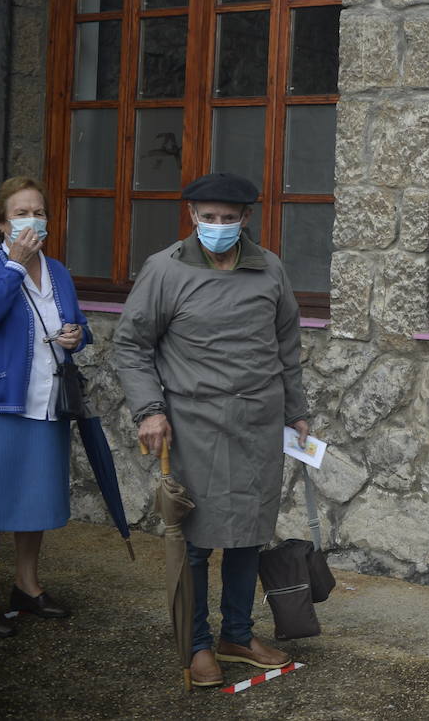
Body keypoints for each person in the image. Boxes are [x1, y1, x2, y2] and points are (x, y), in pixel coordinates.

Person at [112, 172, 309, 688]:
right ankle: (198, 644)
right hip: (192, 424)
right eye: (208, 218)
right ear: (193, 217)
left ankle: (238, 634)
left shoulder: (270, 270)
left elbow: (286, 347)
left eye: (228, 218)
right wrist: (149, 410)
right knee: (195, 540)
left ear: (246, 219)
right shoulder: (164, 270)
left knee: (248, 533)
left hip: (259, 423)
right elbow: (132, 345)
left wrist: (297, 411)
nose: (217, 226)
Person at [0, 176, 91, 637]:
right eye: (20, 212)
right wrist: (15, 266)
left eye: (38, 211)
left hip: (49, 399)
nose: (31, 219)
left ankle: (27, 585)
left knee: (35, 498)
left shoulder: (57, 271)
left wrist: (78, 334)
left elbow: (77, 323)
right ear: (1, 223)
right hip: (1, 398)